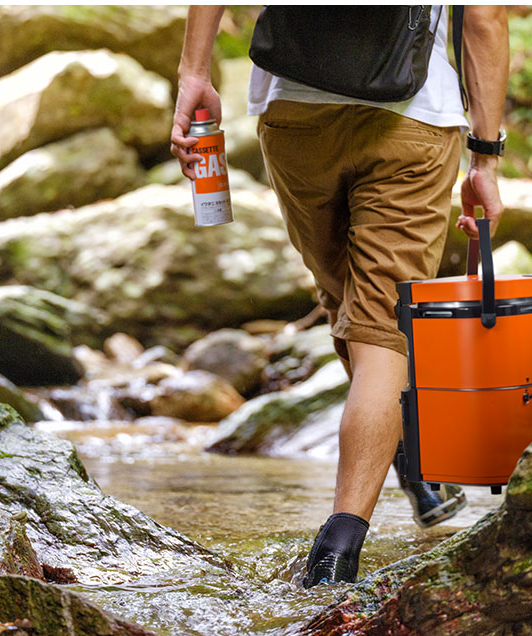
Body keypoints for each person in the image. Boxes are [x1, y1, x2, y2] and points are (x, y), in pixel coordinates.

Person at [171, 6, 509, 588]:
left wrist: (194, 75)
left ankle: (402, 449)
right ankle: (339, 545)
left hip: (296, 113)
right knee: (381, 324)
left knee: (347, 302)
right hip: (413, 120)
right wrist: (485, 157)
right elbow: (483, 15)